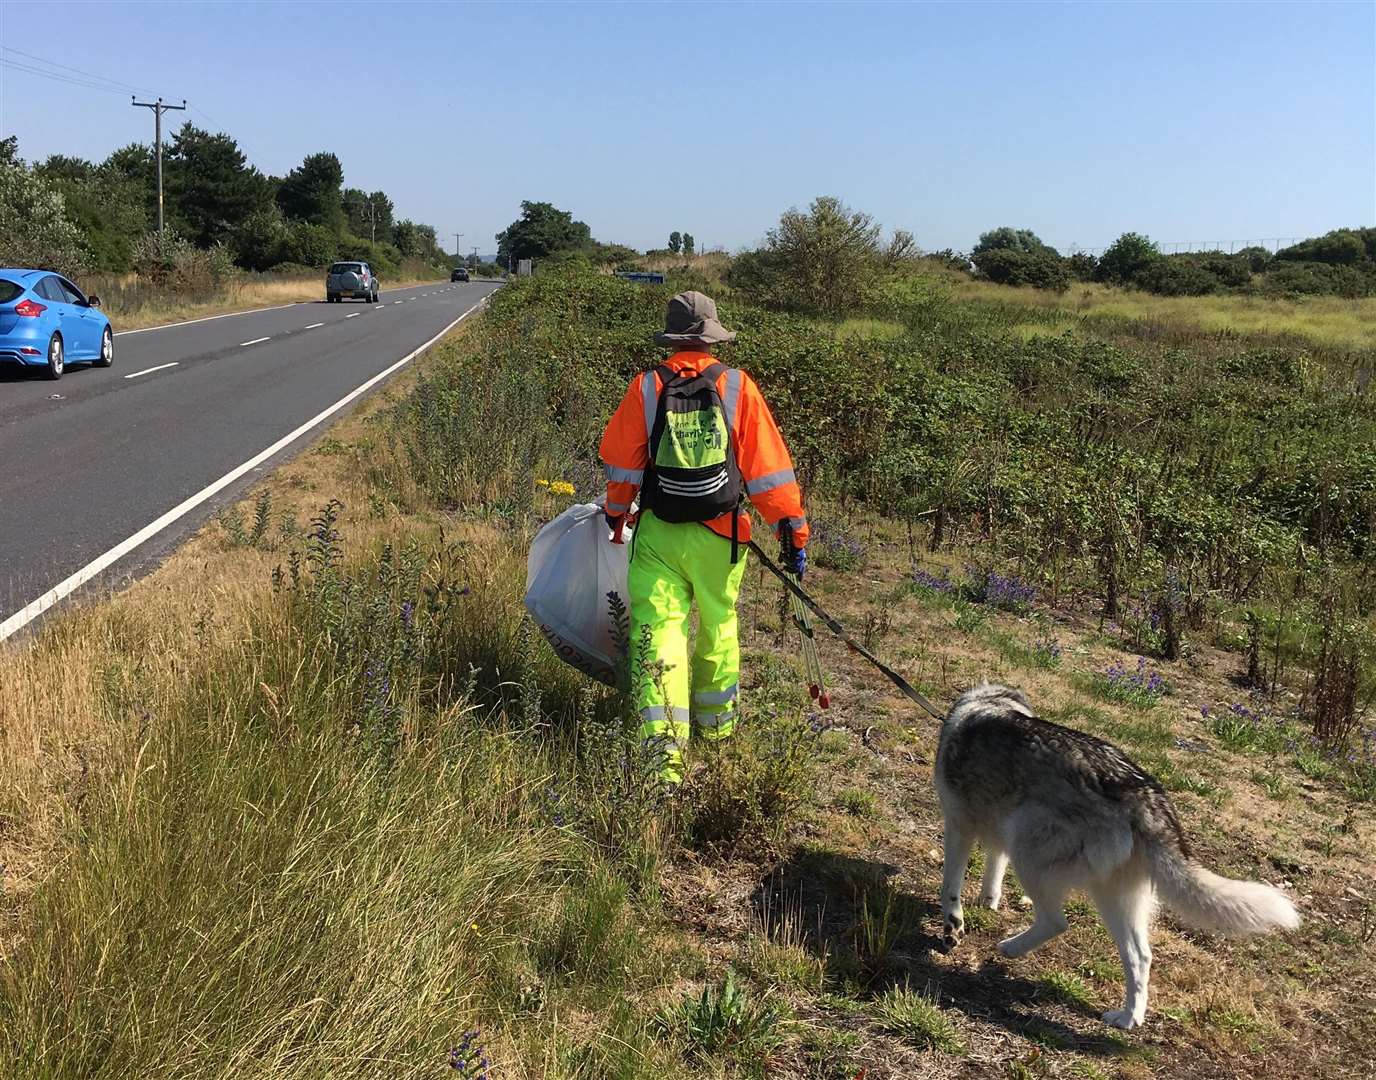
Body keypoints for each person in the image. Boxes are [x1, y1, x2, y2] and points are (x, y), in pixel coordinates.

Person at [599, 291, 809, 783]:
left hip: (659, 536)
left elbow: (621, 465)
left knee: (658, 635)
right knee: (718, 626)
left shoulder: (647, 387)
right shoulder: (738, 387)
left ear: (671, 338)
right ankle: (715, 732)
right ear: (713, 337)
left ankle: (663, 756)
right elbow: (769, 473)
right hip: (723, 536)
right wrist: (792, 529)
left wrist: (615, 515)